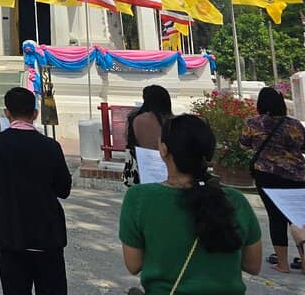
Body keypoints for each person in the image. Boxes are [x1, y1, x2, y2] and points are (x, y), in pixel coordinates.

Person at [121, 114, 262, 293]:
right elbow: (253, 265)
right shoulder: (236, 200)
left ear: (163, 150)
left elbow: (134, 265)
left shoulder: (139, 198)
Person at [0, 87, 71, 295]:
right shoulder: (50, 146)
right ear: (35, 114)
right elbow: (64, 189)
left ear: (6, 113)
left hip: (11, 232)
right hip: (47, 234)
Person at [239, 86, 305, 274]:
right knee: (298, 217)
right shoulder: (294, 125)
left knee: (276, 218)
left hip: (267, 176)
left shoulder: (253, 123)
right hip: (297, 176)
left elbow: (243, 145)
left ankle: (282, 264)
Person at [128, 84, 173, 153]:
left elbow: (127, 137)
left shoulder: (135, 117)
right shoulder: (172, 121)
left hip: (139, 158)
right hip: (163, 159)